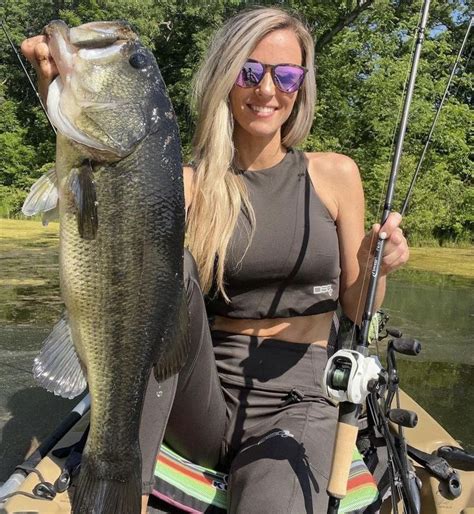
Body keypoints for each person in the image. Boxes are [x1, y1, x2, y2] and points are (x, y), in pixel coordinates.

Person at [21, 6, 409, 513]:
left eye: (287, 74)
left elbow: (358, 310)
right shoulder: (185, 184)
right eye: (250, 71)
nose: (268, 90)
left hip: (299, 399)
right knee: (167, 265)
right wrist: (64, 93)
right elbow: (102, 215)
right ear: (226, 78)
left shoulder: (335, 175)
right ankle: (122, 478)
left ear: (302, 85)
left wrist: (374, 261)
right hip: (196, 396)